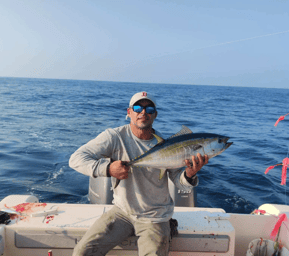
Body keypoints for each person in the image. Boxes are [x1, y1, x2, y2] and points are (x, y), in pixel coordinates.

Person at [69, 91, 208, 256]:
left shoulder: (167, 145)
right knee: (82, 252)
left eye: (149, 109)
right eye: (137, 108)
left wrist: (189, 174)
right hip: (122, 211)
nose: (143, 113)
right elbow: (76, 159)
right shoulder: (114, 137)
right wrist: (107, 168)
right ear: (129, 113)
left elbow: (179, 182)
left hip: (155, 216)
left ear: (155, 115)